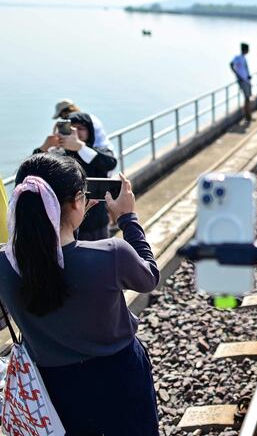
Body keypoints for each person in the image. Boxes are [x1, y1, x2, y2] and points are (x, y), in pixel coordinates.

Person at [0, 153, 160, 434]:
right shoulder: (112, 253)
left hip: (53, 388)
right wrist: (128, 219)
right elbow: (149, 278)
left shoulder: (4, 264)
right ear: (77, 201)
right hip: (119, 378)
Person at [35, 112, 117, 240]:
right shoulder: (58, 154)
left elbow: (110, 163)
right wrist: (44, 147)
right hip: (65, 224)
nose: (76, 132)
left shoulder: (99, 151)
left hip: (95, 223)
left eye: (80, 128)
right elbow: (32, 170)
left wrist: (80, 147)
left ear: (90, 131)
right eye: (71, 129)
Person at [230, 42, 253, 122]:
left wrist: (248, 76)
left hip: (246, 80)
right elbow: (231, 64)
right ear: (245, 50)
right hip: (242, 80)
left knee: (248, 98)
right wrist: (238, 76)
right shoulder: (238, 57)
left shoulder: (243, 58)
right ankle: (248, 116)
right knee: (247, 98)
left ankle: (249, 115)